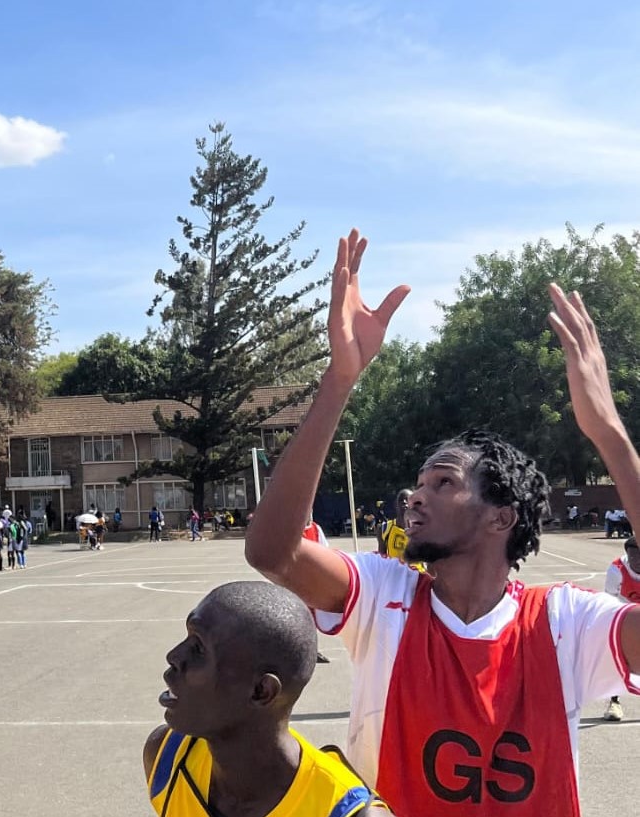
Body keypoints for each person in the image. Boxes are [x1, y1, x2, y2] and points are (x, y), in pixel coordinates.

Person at [245, 229, 640, 815]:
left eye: (443, 483)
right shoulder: (386, 596)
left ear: (500, 517)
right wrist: (339, 381)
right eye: (420, 481)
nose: (415, 495)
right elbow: (273, 552)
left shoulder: (562, 624)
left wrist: (608, 433)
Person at [146, 582, 392, 816]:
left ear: (262, 691)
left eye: (198, 648)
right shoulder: (166, 754)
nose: (173, 656)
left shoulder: (345, 810)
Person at [602, 537, 640, 721]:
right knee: (618, 660)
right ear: (628, 555)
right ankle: (614, 702)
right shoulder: (616, 570)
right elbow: (610, 601)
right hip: (624, 613)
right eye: (634, 556)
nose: (638, 560)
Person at [375, 490, 412, 562]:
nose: (404, 502)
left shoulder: (422, 529)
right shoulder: (384, 529)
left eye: (408, 499)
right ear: (396, 505)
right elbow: (382, 559)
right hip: (394, 572)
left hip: (417, 572)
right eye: (401, 500)